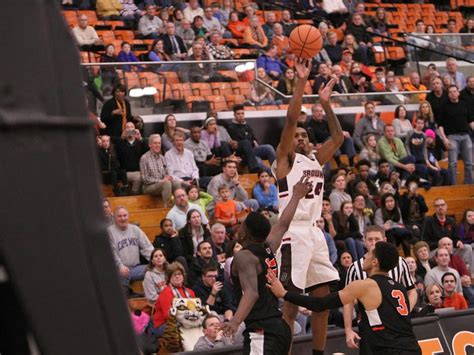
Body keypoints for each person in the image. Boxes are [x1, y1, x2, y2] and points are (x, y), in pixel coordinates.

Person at [271, 58, 344, 354]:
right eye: (296, 136)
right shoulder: (285, 161)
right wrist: (301, 82)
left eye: (304, 136)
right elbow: (290, 121)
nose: (299, 137)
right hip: (293, 234)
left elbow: (338, 137)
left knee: (323, 301)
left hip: (315, 234)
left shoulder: (315, 160)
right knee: (290, 306)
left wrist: (326, 103)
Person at [267, 241, 422, 355]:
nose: (364, 256)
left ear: (374, 262)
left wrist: (284, 294)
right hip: (412, 347)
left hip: (387, 350)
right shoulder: (400, 287)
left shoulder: (365, 285)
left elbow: (321, 304)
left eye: (368, 254)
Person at [219, 176, 313, 354]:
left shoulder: (245, 257)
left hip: (262, 331)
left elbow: (252, 293)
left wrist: (235, 322)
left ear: (245, 233)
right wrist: (296, 196)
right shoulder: (269, 246)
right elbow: (283, 224)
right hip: (279, 327)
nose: (239, 227)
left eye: (242, 225)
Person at [343, 226, 417, 351]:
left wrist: (405, 311)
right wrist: (348, 330)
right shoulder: (355, 267)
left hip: (396, 327)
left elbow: (412, 290)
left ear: (385, 240)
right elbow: (347, 301)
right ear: (364, 241)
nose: (373, 243)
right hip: (371, 327)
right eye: (370, 240)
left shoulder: (400, 262)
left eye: (377, 239)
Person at [108, 207, 154, 294]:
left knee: (155, 269)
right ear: (114, 218)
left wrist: (155, 260)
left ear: (128, 216)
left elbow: (147, 247)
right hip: (119, 270)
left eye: (125, 215)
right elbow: (112, 252)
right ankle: (126, 298)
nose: (123, 218)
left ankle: (150, 295)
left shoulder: (135, 230)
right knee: (121, 275)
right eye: (120, 216)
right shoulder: (110, 232)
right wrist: (120, 266)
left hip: (136, 268)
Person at [438, 85, 473, 185]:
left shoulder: (464, 104)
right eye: (450, 92)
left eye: (454, 91)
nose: (453, 93)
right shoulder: (444, 107)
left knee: (469, 163)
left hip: (466, 136)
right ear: (448, 94)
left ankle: (469, 185)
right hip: (452, 137)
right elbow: (440, 125)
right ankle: (453, 185)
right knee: (452, 163)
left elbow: (470, 120)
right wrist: (444, 138)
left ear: (458, 92)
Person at [227, 105, 276, 173]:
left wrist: (254, 141)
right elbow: (241, 142)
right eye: (238, 114)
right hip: (243, 154)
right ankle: (272, 174)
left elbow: (253, 138)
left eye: (242, 113)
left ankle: (277, 169)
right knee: (258, 161)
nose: (241, 115)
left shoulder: (247, 126)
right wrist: (252, 142)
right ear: (234, 115)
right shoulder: (231, 128)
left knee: (268, 147)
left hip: (252, 150)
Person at [152, 262, 195, 336]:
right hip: (163, 324)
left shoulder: (190, 292)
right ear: (169, 278)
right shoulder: (166, 292)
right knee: (184, 329)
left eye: (179, 274)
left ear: (183, 276)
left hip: (185, 321)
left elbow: (195, 309)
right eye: (174, 275)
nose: (177, 276)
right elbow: (168, 315)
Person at [140, 134, 180, 206]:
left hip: (161, 183)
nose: (158, 145)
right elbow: (145, 179)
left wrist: (168, 177)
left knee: (176, 183)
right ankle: (166, 208)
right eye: (155, 143)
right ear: (150, 145)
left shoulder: (162, 158)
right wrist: (161, 181)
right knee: (166, 183)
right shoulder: (144, 158)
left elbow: (165, 173)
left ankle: (179, 205)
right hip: (148, 186)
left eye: (159, 143)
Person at [375, 193, 412, 257]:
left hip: (397, 234)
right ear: (384, 203)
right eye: (387, 201)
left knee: (405, 237)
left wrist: (390, 223)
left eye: (391, 201)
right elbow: (380, 227)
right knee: (390, 234)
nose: (390, 204)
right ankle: (394, 258)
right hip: (385, 236)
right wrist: (393, 225)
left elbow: (401, 225)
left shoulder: (397, 210)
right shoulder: (379, 211)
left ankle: (408, 257)